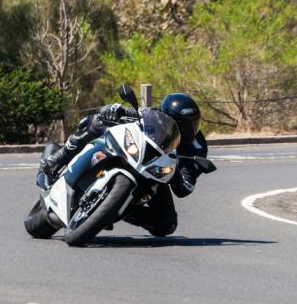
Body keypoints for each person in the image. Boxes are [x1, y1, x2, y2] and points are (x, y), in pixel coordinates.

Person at [38, 93, 208, 237]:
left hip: (157, 173)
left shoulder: (198, 147)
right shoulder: (156, 116)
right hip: (133, 152)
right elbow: (134, 113)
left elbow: (186, 186)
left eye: (193, 125)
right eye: (183, 125)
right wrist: (115, 110)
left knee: (167, 224)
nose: (189, 130)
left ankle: (120, 210)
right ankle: (59, 157)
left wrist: (180, 175)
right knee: (97, 121)